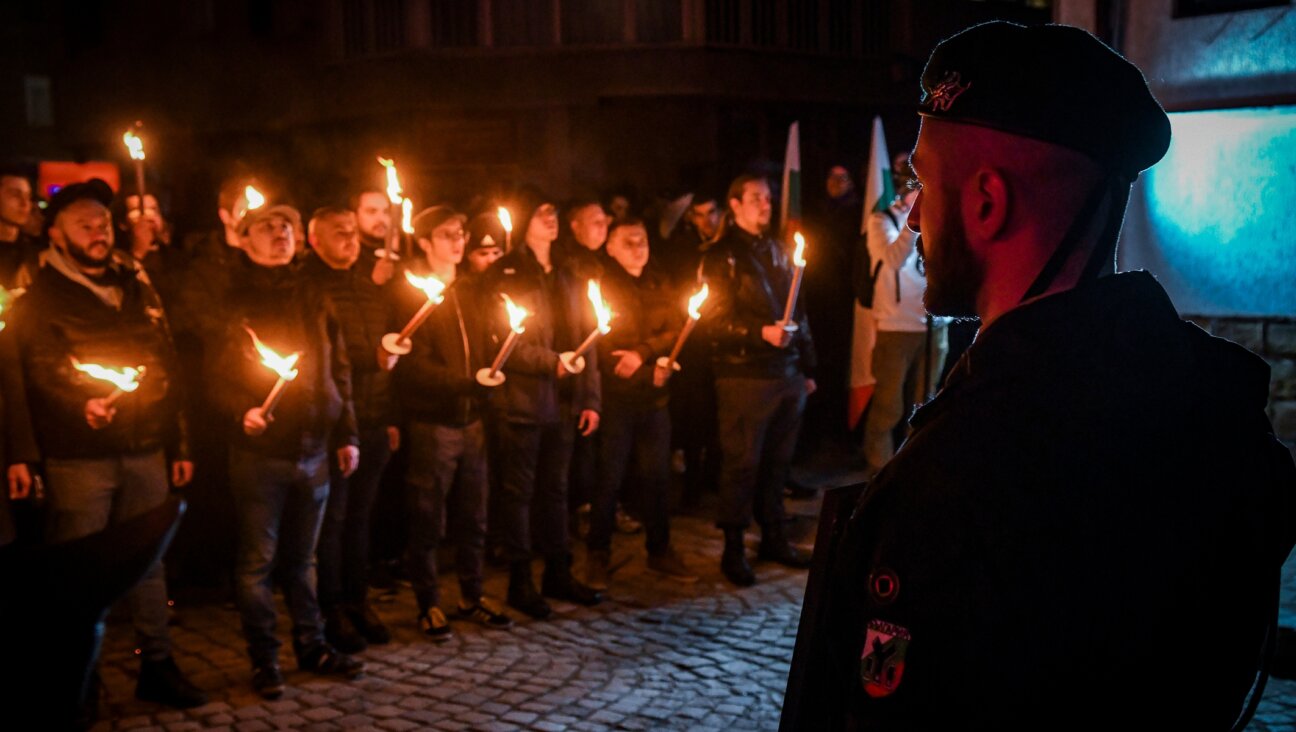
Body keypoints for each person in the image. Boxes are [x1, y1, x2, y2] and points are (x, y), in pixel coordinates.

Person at [803, 22, 1296, 729]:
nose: (909, 215)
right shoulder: (1216, 405)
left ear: (986, 202)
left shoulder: (963, 474)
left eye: (919, 183)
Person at [11, 179, 205, 708]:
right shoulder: (39, 299)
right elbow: (38, 372)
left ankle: (157, 664)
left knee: (148, 562)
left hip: (145, 448)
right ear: (56, 233)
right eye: (84, 225)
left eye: (102, 223)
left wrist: (179, 442)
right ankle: (79, 677)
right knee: (77, 569)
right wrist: (81, 407)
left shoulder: (135, 286)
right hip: (79, 457)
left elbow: (166, 362)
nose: (98, 234)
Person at [209, 197, 363, 699]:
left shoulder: (314, 293)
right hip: (261, 456)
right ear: (246, 238)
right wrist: (241, 411)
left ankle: (312, 646)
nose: (281, 234)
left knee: (304, 561)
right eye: (268, 227)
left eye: (288, 227)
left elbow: (338, 368)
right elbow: (214, 376)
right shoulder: (233, 298)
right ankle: (265, 659)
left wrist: (348, 432)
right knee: (259, 562)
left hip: (315, 449)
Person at [393, 205, 513, 641]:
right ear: (424, 242)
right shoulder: (410, 293)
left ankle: (472, 594)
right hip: (434, 423)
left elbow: (485, 344)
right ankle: (428, 604)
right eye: (446, 234)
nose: (459, 241)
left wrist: (490, 373)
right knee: (427, 517)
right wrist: (465, 383)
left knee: (474, 515)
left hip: (473, 422)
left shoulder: (469, 290)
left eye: (461, 232)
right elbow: (411, 365)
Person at [483, 189, 603, 619]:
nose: (550, 218)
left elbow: (588, 335)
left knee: (557, 491)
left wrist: (590, 396)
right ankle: (520, 580)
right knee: (519, 493)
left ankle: (558, 570)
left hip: (565, 404)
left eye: (554, 211)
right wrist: (551, 363)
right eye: (542, 212)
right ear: (525, 219)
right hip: (523, 402)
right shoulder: (507, 273)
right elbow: (503, 341)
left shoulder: (568, 273)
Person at [700, 174, 816, 587]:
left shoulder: (779, 250)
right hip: (743, 375)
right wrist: (758, 333)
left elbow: (797, 308)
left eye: (768, 198)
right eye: (755, 199)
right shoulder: (720, 256)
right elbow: (713, 320)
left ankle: (774, 537)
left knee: (778, 463)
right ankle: (733, 548)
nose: (765, 205)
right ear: (734, 205)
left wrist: (808, 367)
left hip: (785, 372)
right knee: (742, 463)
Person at [301, 207, 397, 653]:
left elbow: (384, 355)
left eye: (352, 232)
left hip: (375, 417)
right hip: (339, 423)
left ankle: (358, 602)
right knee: (333, 522)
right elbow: (329, 360)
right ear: (314, 240)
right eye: (338, 233)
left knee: (363, 518)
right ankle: (331, 608)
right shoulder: (311, 290)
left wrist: (390, 414)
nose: (349, 239)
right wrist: (372, 359)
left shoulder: (368, 288)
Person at [584, 218, 696, 589]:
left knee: (657, 477)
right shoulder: (601, 286)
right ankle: (597, 554)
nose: (638, 248)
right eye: (629, 242)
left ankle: (659, 549)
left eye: (643, 240)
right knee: (609, 480)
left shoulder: (658, 281)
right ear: (610, 248)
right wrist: (642, 362)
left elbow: (675, 327)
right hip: (617, 402)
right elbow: (606, 349)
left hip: (654, 399)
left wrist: (647, 355)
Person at [860, 178, 949, 476]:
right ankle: (877, 470)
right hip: (895, 328)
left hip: (933, 326)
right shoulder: (880, 221)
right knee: (889, 405)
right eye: (919, 188)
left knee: (926, 403)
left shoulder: (940, 216)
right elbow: (893, 259)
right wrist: (914, 223)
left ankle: (914, 471)